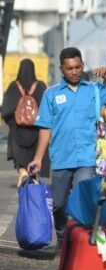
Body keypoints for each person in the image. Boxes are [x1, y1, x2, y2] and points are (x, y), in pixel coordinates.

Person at [28, 47, 106, 240]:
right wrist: (38, 158)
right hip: (60, 158)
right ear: (61, 69)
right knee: (59, 204)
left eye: (77, 67)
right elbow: (45, 128)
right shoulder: (51, 94)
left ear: (82, 66)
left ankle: (79, 241)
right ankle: (62, 236)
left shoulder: (95, 90)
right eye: (69, 68)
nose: (74, 71)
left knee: (81, 199)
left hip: (87, 158)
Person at [1, 59, 48, 187]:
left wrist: (13, 123)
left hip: (17, 131)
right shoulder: (41, 86)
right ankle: (32, 176)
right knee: (35, 154)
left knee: (19, 154)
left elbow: (5, 110)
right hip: (37, 130)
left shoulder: (13, 87)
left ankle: (22, 172)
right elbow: (48, 109)